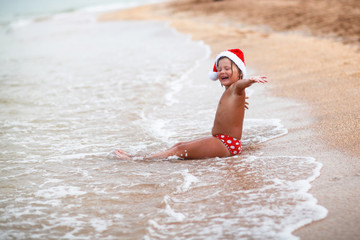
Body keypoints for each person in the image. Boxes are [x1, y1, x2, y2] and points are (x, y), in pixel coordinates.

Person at [114, 48, 267, 160]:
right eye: (219, 69)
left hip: (226, 143)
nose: (222, 72)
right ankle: (139, 156)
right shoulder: (232, 92)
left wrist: (251, 80)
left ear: (240, 73)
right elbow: (235, 102)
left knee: (179, 149)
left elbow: (241, 85)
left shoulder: (237, 87)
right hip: (221, 140)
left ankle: (137, 161)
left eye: (227, 68)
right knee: (178, 145)